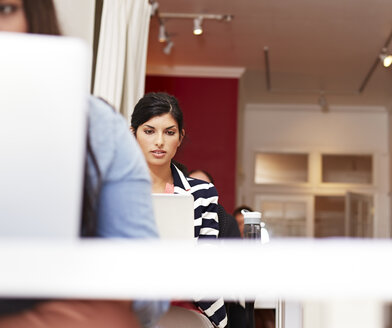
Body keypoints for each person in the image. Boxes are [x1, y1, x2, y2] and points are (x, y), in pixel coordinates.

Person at [0, 1, 168, 327]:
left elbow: (147, 289)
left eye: (5, 9)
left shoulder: (98, 129)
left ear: (36, 16)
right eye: (150, 131)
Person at [131, 92, 228, 328]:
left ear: (180, 137)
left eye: (169, 132)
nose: (159, 141)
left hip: (186, 306)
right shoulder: (114, 192)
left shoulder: (202, 193)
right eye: (149, 131)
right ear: (133, 134)